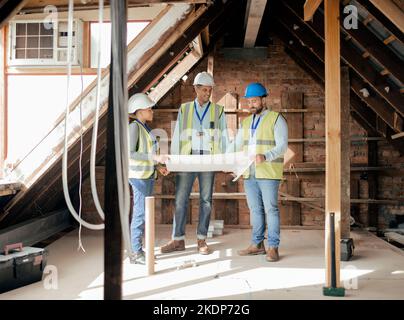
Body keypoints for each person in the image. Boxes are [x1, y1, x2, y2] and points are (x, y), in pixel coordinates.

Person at [160, 71, 229, 255]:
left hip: (208, 159)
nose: (207, 93)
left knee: (206, 201)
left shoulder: (218, 110)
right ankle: (178, 239)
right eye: (204, 90)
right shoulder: (185, 109)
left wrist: (226, 159)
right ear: (196, 89)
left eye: (210, 90)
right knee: (181, 199)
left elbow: (224, 136)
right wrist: (173, 162)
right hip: (187, 159)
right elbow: (177, 136)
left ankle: (201, 240)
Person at [229, 83, 288, 262]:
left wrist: (266, 155)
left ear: (263, 99)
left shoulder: (276, 119)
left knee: (271, 209)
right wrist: (223, 160)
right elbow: (235, 146)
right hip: (249, 174)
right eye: (249, 101)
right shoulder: (245, 122)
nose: (251, 104)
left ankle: (273, 247)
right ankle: (257, 245)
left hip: (269, 172)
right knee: (255, 210)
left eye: (254, 101)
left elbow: (282, 146)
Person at [128, 93, 169, 264]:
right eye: (149, 108)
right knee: (140, 214)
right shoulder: (134, 128)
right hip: (138, 177)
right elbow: (130, 153)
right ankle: (136, 253)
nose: (152, 111)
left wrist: (159, 167)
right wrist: (155, 159)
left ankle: (140, 251)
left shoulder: (147, 129)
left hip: (147, 176)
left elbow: (148, 155)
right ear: (139, 111)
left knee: (144, 214)